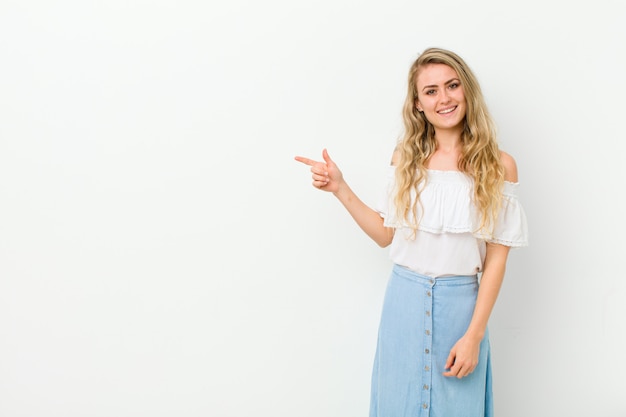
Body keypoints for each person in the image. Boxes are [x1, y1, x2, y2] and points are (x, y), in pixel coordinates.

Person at [294, 47, 528, 417]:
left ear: (467, 91)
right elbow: (387, 235)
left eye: (452, 86)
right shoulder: (405, 158)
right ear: (418, 103)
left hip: (461, 308)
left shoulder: (500, 165)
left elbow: (497, 261)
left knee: (457, 406)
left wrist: (474, 334)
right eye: (431, 91)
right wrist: (340, 188)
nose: (444, 98)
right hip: (403, 302)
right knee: (397, 404)